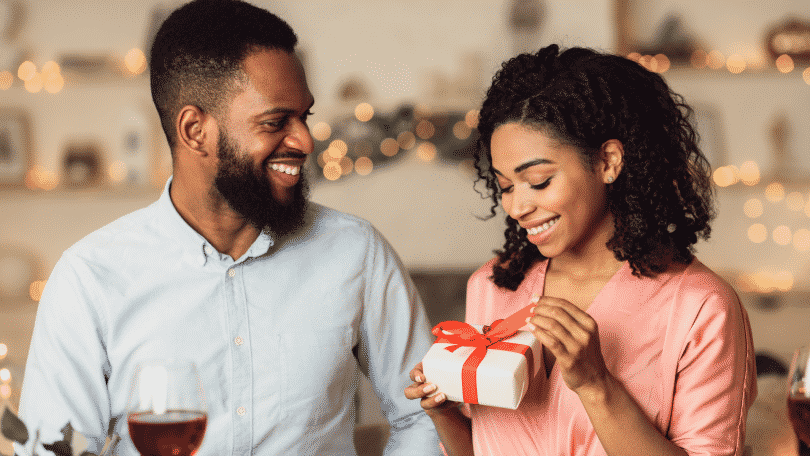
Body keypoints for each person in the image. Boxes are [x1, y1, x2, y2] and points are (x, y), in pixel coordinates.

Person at [18, 1, 440, 455]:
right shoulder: (90, 278)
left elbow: (425, 415)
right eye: (276, 122)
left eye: (304, 117)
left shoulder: (356, 252)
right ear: (195, 130)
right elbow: (51, 449)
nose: (304, 140)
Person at [405, 44, 757, 456]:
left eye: (538, 181)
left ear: (608, 161)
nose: (517, 207)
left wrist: (597, 385)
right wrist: (445, 414)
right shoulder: (493, 285)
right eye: (504, 186)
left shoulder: (700, 307)